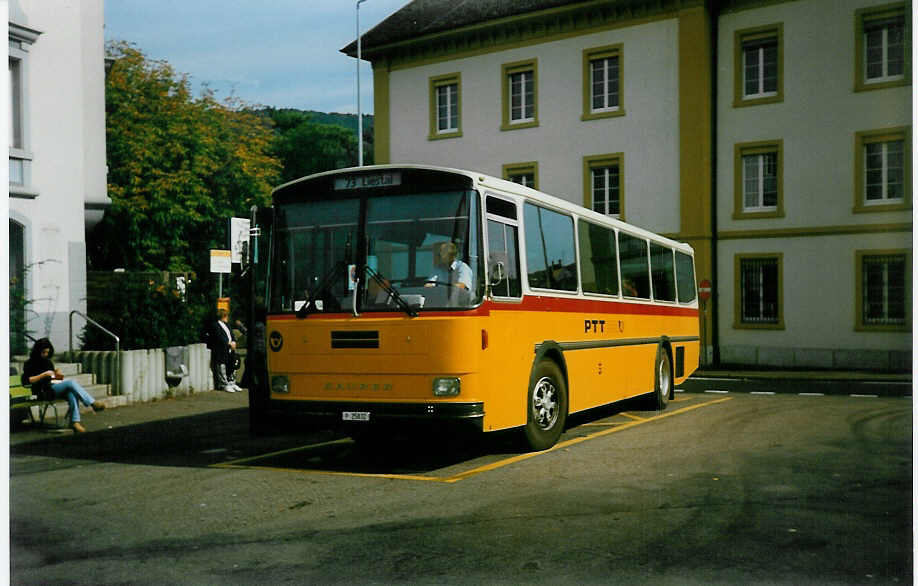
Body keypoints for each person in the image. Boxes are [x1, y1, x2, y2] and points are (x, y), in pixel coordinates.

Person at [22, 338, 104, 433]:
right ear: (37, 351)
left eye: (47, 352)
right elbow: (27, 381)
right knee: (71, 383)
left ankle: (75, 422)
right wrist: (43, 375)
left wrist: (58, 375)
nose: (45, 354)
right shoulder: (29, 363)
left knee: (71, 393)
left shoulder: (47, 362)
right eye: (43, 352)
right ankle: (92, 403)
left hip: (52, 388)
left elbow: (56, 380)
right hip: (41, 392)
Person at [206, 308, 240, 393]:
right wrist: (228, 343)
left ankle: (231, 382)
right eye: (226, 315)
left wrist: (233, 342)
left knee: (232, 366)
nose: (227, 317)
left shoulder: (227, 325)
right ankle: (223, 384)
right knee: (222, 367)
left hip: (229, 349)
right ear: (223, 316)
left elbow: (231, 334)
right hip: (221, 350)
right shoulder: (216, 325)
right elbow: (219, 337)